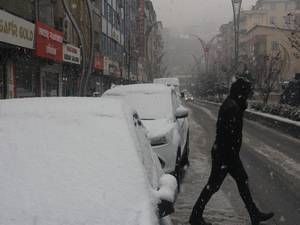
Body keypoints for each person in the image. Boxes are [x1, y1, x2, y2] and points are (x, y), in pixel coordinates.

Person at [189, 78, 274, 225]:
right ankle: (195, 216)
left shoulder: (233, 104)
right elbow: (228, 134)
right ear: (241, 92)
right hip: (225, 154)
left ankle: (254, 214)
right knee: (215, 185)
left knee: (238, 181)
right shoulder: (232, 107)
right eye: (247, 91)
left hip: (225, 152)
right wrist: (231, 155)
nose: (248, 95)